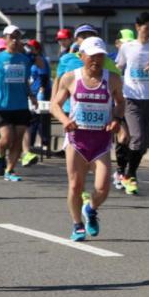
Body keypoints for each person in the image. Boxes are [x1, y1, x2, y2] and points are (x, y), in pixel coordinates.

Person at [49, 38, 124, 241]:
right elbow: (55, 105)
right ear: (81, 56)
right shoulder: (70, 78)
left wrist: (117, 119)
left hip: (101, 141)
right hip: (76, 140)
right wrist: (65, 120)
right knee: (75, 185)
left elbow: (120, 102)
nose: (96, 60)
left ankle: (90, 208)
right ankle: (77, 225)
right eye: (92, 56)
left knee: (103, 187)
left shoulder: (113, 79)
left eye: (100, 55)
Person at [113, 13, 149, 195]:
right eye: (146, 28)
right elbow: (117, 67)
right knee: (136, 137)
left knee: (143, 143)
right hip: (130, 97)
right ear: (137, 27)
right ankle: (129, 175)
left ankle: (126, 172)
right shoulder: (127, 47)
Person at [0, 25, 47, 181]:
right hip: (1, 105)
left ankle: (10, 171)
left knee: (18, 139)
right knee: (6, 139)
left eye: (18, 37)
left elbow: (41, 65)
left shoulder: (24, 59)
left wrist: (31, 95)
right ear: (5, 38)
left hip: (21, 105)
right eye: (12, 37)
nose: (15, 40)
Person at [22, 38, 51, 165]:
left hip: (40, 92)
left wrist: (42, 91)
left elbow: (44, 77)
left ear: (37, 48)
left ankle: (40, 143)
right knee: (34, 120)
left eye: (31, 47)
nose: (29, 49)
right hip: (32, 91)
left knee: (37, 120)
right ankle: (31, 145)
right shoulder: (28, 59)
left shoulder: (40, 59)